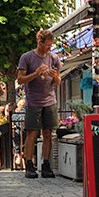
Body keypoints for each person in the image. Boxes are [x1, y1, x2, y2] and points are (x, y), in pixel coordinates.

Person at [17, 29, 64, 179]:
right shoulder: (27, 57)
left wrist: (55, 76)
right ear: (39, 42)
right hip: (33, 101)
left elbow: (58, 81)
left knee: (48, 133)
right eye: (47, 45)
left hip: (50, 100)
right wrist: (36, 73)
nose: (49, 48)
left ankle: (46, 164)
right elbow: (20, 80)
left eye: (51, 45)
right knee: (31, 132)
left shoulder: (54, 58)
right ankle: (29, 164)